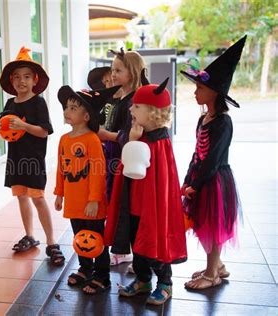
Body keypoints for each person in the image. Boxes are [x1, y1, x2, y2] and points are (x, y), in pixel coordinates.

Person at [104, 78, 188, 305]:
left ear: (153, 112)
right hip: (133, 201)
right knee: (136, 241)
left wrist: (134, 142)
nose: (131, 109)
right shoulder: (137, 132)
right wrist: (132, 139)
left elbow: (156, 175)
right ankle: (143, 280)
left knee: (153, 242)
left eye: (137, 106)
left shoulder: (160, 140)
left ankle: (165, 283)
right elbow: (129, 166)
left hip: (151, 204)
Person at [182, 36, 246, 290]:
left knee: (212, 225)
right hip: (200, 178)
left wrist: (196, 184)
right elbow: (197, 152)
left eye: (199, 88)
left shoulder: (223, 121)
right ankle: (216, 264)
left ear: (214, 92)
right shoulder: (203, 119)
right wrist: (188, 178)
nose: (195, 92)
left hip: (215, 181)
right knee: (202, 224)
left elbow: (213, 158)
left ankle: (212, 273)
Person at [0, 47, 65, 265]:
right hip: (15, 158)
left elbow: (44, 131)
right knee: (21, 197)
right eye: (16, 77)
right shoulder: (10, 104)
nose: (21, 81)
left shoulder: (38, 102)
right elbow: (5, 129)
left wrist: (23, 125)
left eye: (26, 77)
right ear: (11, 81)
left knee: (38, 198)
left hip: (33, 159)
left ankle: (52, 242)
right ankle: (30, 235)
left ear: (34, 80)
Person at [54, 85, 119, 295]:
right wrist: (59, 193)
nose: (67, 111)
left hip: (91, 203)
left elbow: (98, 173)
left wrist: (94, 200)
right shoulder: (64, 140)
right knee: (79, 236)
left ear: (86, 115)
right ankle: (85, 268)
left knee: (95, 239)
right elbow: (61, 168)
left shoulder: (92, 140)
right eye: (67, 107)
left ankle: (102, 276)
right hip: (73, 201)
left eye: (73, 108)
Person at [98, 48, 146, 266]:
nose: (113, 74)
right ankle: (121, 247)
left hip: (124, 159)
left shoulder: (134, 101)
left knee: (126, 205)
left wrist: (106, 135)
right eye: (112, 69)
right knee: (114, 201)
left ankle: (128, 251)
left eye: (118, 70)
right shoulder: (119, 97)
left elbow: (132, 135)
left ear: (133, 72)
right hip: (111, 157)